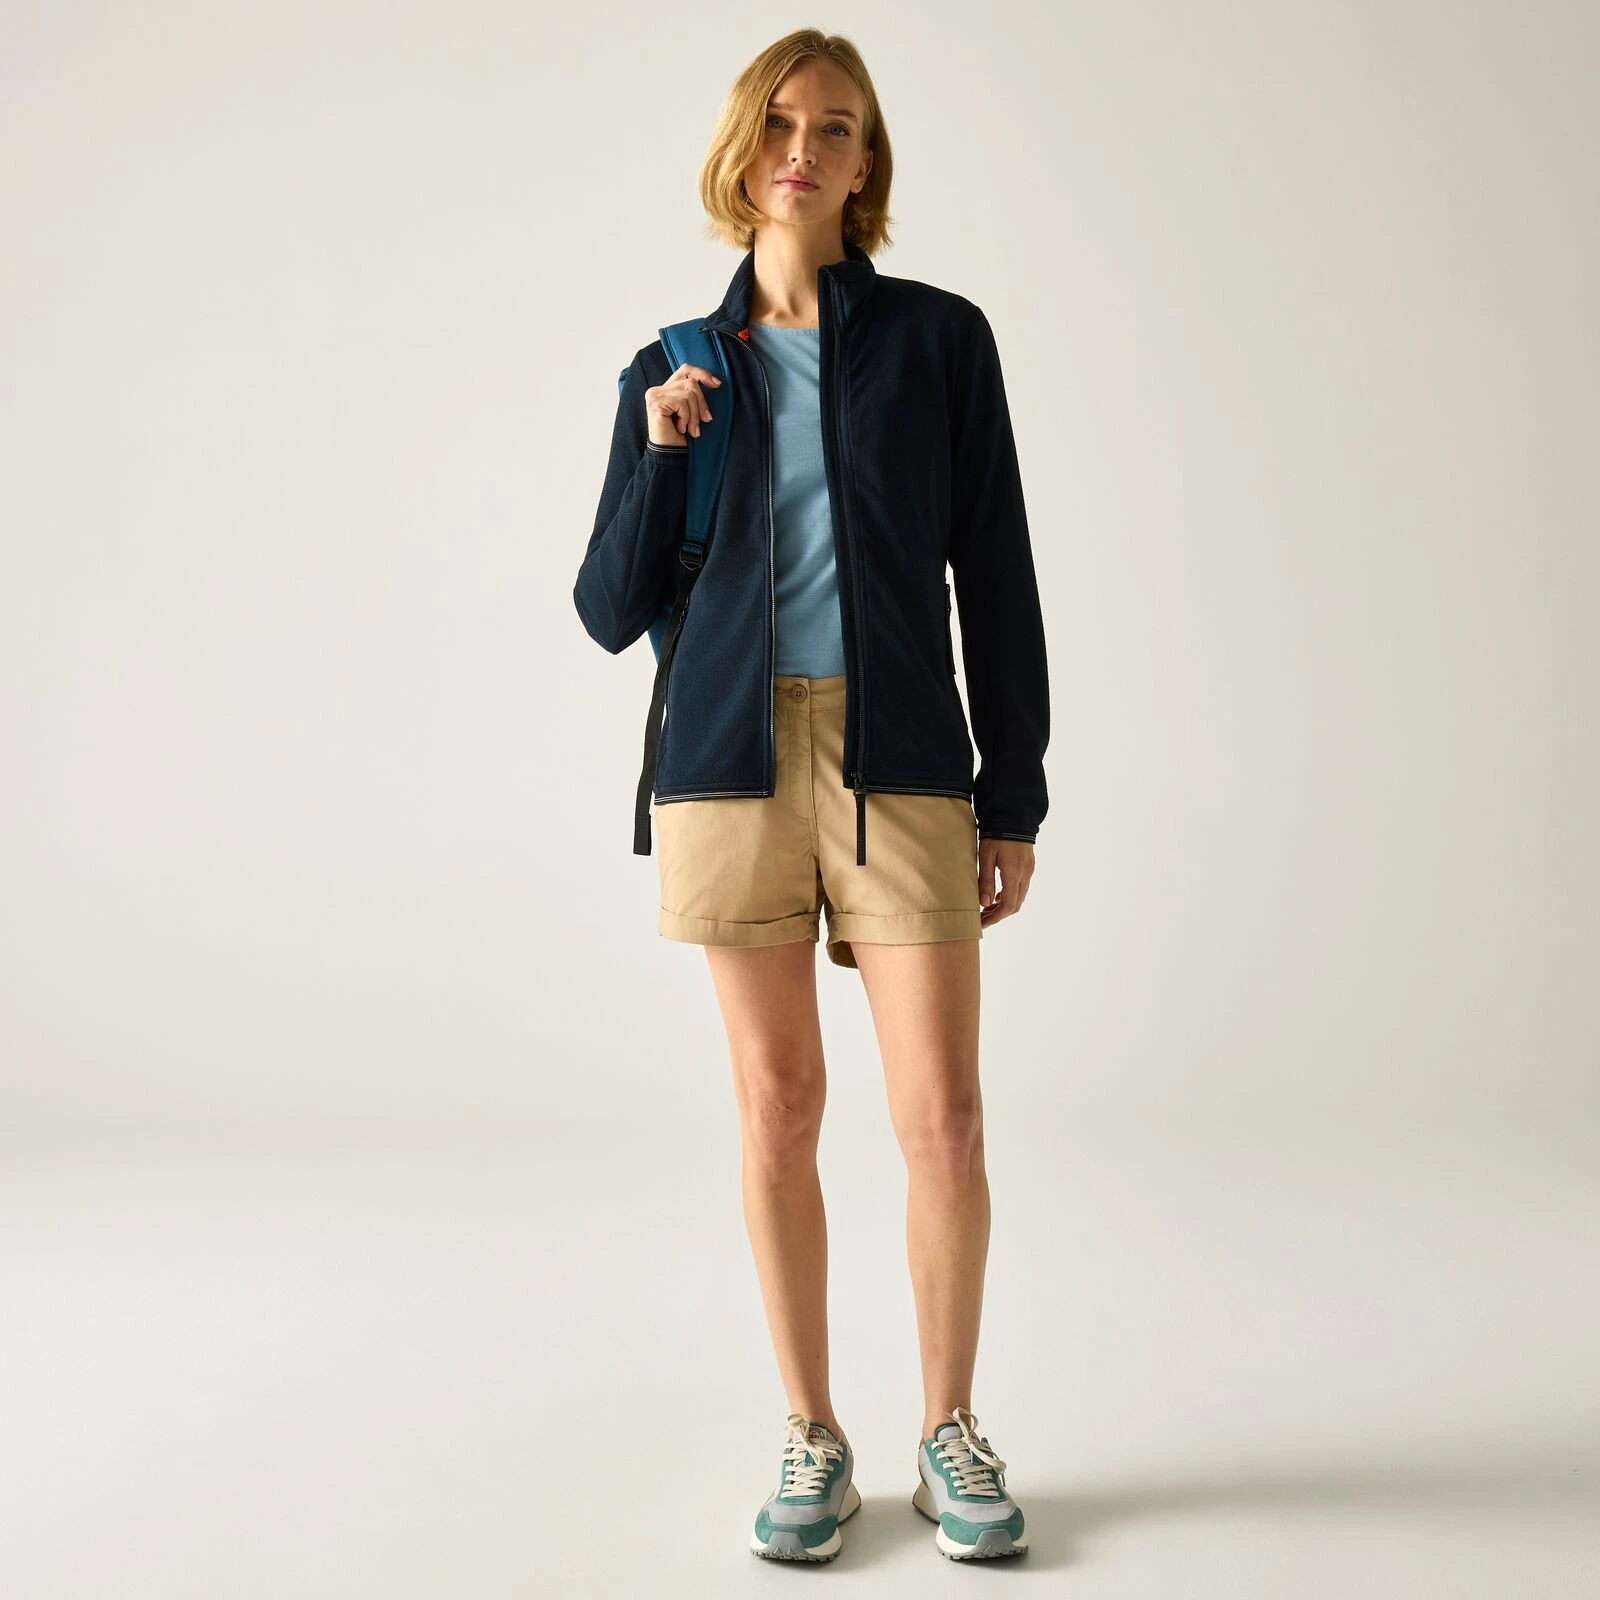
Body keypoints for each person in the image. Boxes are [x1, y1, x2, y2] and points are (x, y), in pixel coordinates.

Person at [574, 27, 1045, 1563]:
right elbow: (606, 609)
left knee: (945, 1117)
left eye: (836, 128)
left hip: (902, 752)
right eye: (780, 121)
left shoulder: (941, 343)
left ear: (864, 163)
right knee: (779, 1107)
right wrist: (660, 451)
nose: (804, 148)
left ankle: (950, 1427)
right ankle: (811, 1429)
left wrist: (1015, 790)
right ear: (743, 146)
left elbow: (997, 574)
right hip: (727, 761)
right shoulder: (675, 363)